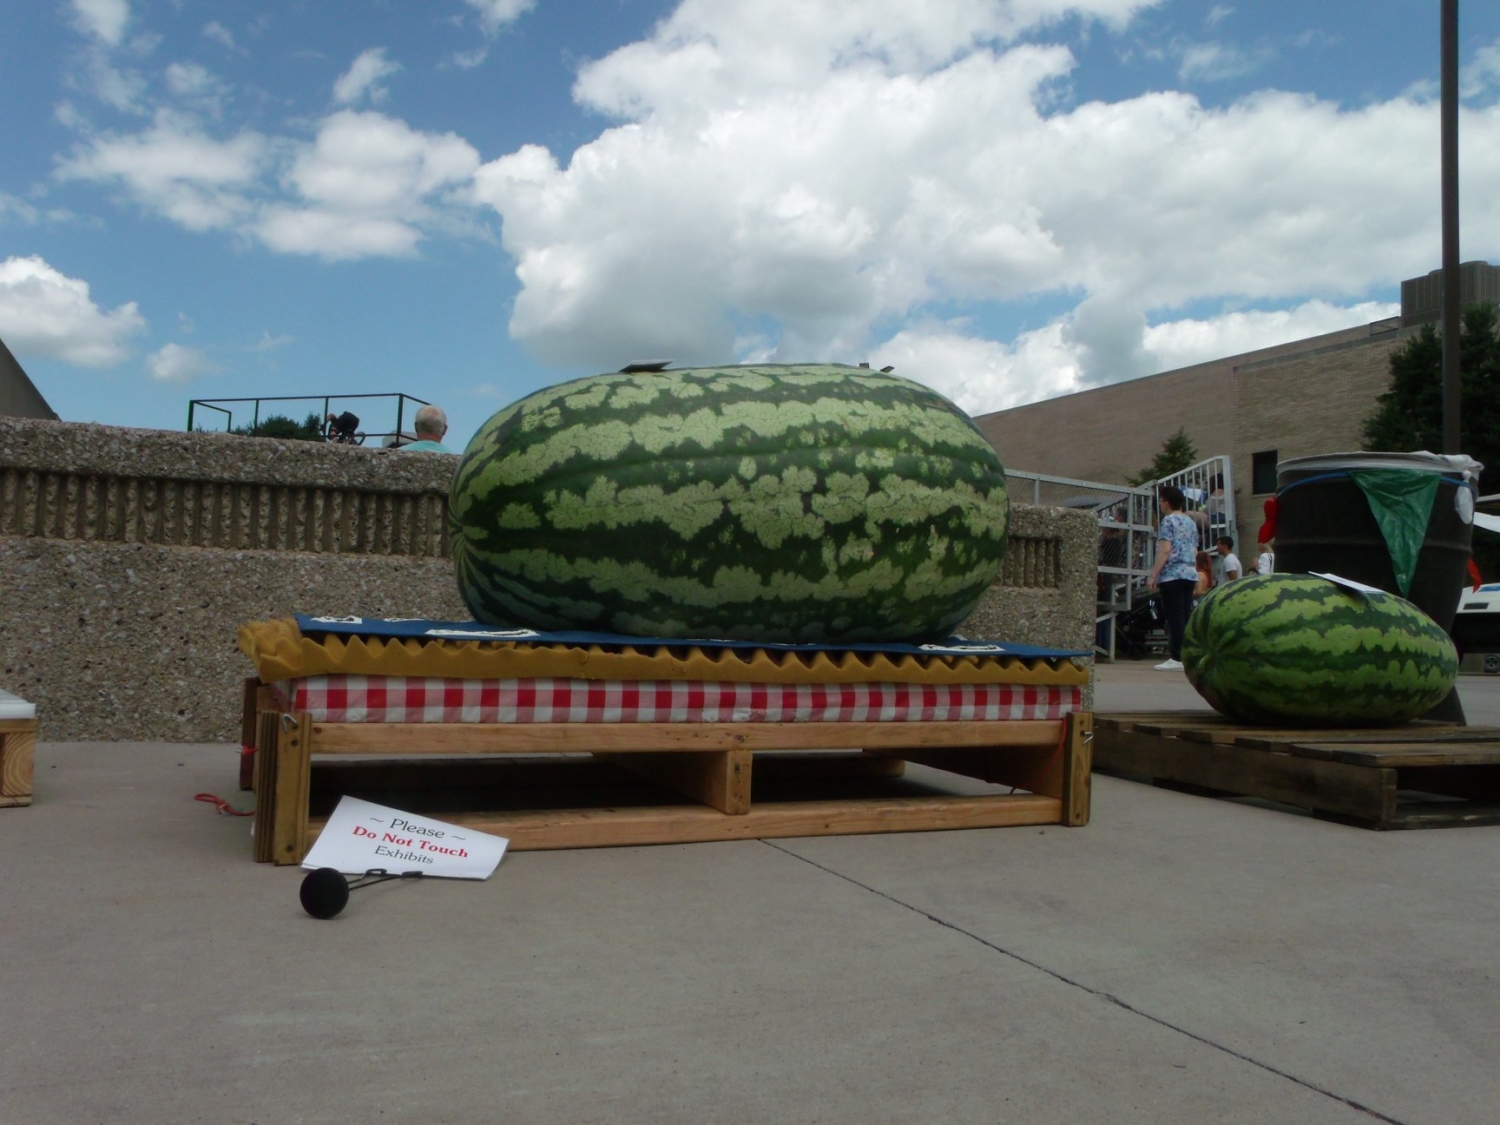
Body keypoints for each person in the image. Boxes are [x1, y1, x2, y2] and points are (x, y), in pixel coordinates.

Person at [1148, 484, 1198, 672]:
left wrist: (1154, 574)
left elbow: (1165, 549)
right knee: (1185, 615)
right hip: (1189, 572)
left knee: (1174, 616)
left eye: (1161, 501)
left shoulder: (1168, 521)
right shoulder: (1190, 522)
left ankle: (1177, 656)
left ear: (1167, 503)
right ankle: (1187, 654)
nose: (1160, 505)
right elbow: (1194, 549)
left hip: (1172, 574)